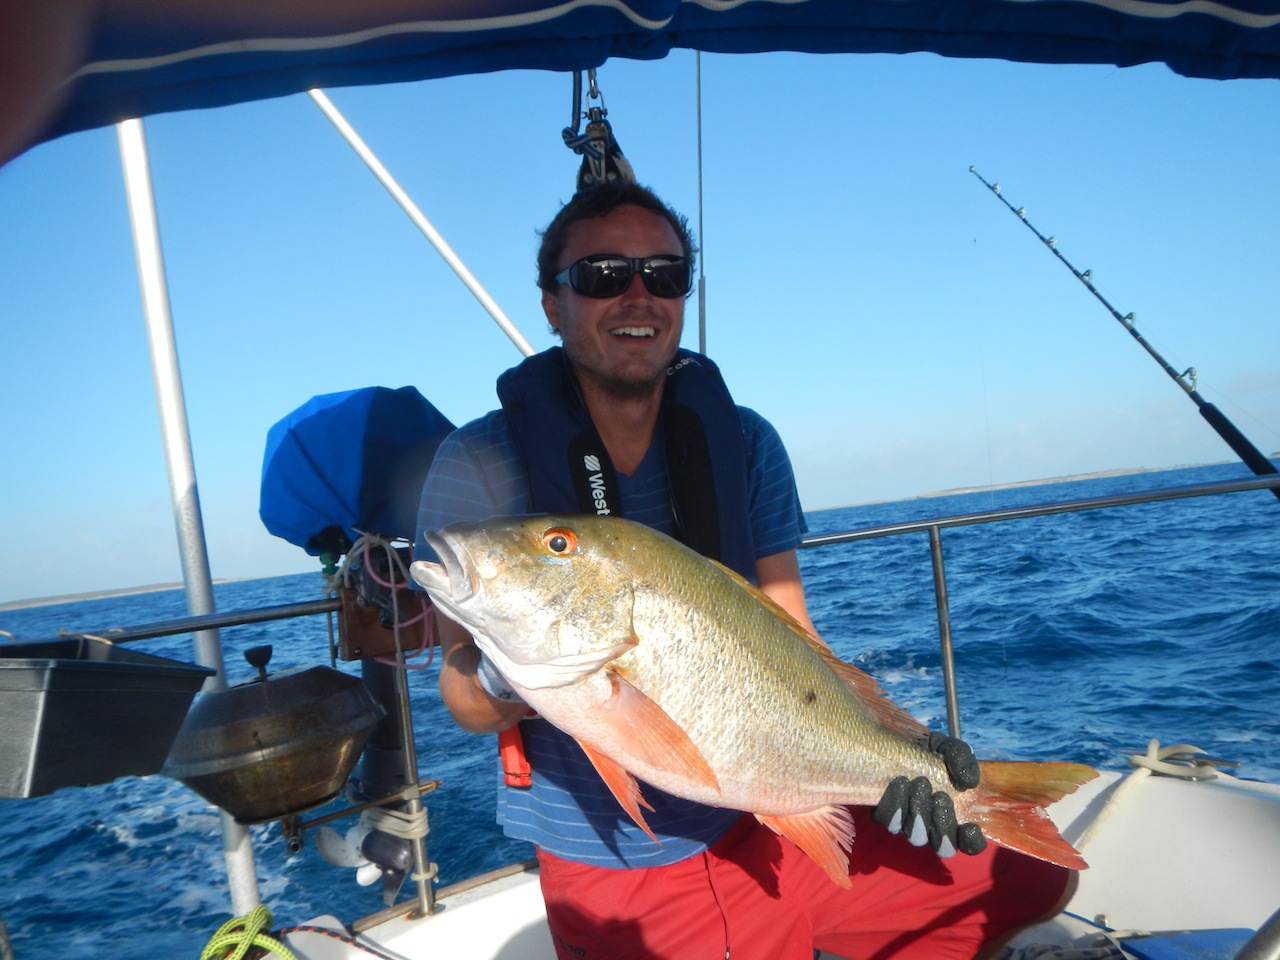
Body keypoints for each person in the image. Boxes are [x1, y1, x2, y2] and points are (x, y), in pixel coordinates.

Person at [414, 180, 1071, 959]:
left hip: (771, 803)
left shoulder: (747, 440)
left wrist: (913, 751)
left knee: (1027, 876)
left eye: (664, 275)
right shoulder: (477, 462)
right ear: (553, 305)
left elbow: (794, 633)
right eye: (602, 275)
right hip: (628, 858)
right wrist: (510, 669)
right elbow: (462, 697)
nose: (637, 295)